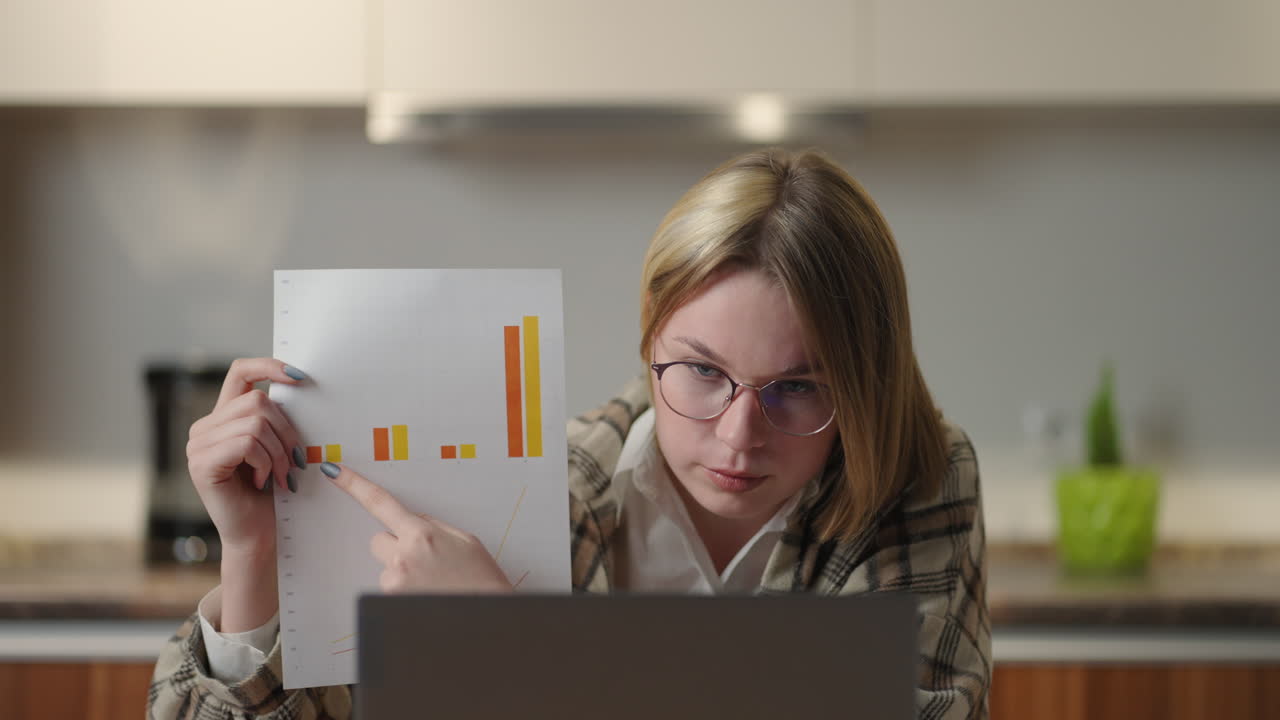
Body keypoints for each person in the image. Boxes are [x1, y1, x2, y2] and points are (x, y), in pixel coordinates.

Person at [148, 148, 990, 719]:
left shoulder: (919, 479)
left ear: (868, 380)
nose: (739, 437)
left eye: (798, 387)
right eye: (700, 371)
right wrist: (254, 559)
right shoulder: (533, 494)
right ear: (649, 340)